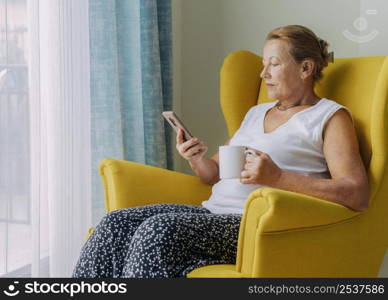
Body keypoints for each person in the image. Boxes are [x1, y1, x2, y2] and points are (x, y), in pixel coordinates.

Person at [72, 25, 369, 278]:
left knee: (158, 230)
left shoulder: (329, 117)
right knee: (116, 223)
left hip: (254, 226)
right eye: (264, 64)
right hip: (211, 213)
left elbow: (356, 193)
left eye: (274, 64)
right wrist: (196, 158)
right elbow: (214, 174)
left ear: (306, 68)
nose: (263, 73)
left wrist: (278, 178)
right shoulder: (256, 112)